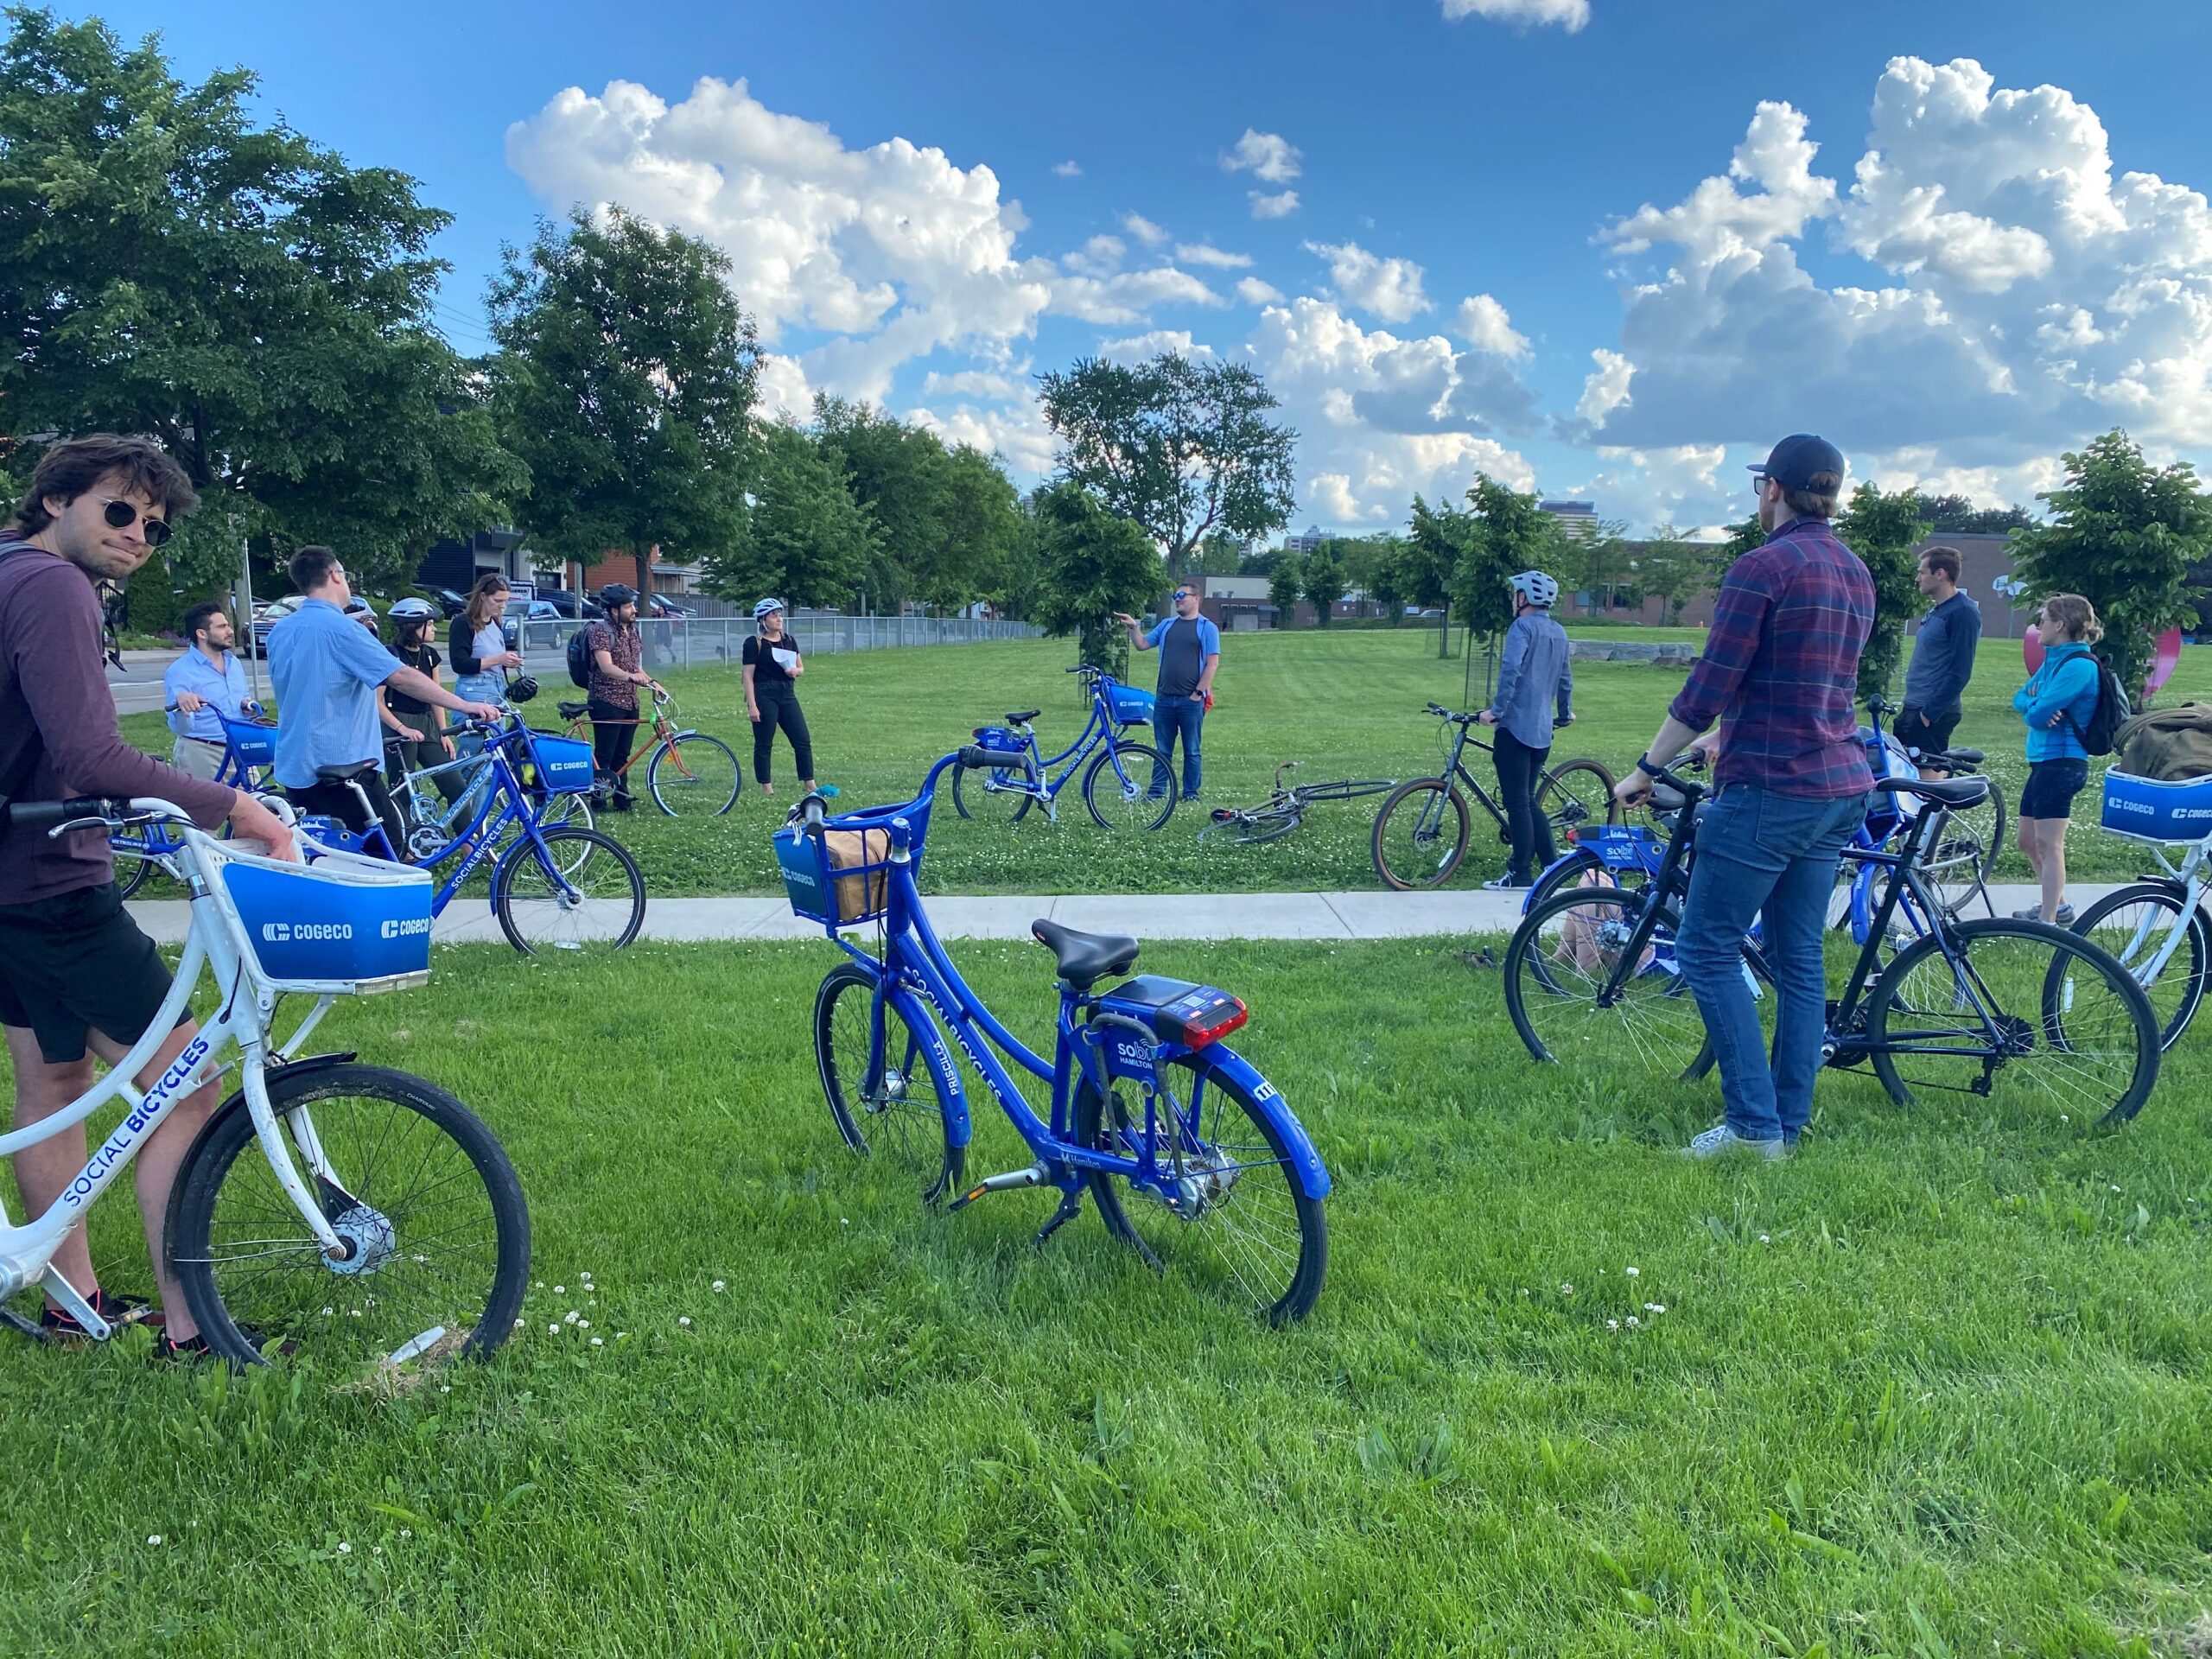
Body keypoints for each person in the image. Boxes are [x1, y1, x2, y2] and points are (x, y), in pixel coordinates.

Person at [0, 433, 297, 1358]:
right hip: (48, 886)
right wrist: (237, 804)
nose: (137, 535)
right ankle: (192, 1331)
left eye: (154, 527)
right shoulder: (53, 586)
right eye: (119, 511)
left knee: (53, 1081)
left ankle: (70, 1303)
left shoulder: (9, 572)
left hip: (12, 881)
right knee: (183, 1085)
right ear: (57, 499)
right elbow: (93, 757)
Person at [1615, 434, 1874, 1161]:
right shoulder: (1855, 571)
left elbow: (1711, 686)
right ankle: (1787, 1121)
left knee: (1704, 948)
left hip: (1770, 791)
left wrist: (1645, 767)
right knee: (1798, 959)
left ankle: (1753, 1127)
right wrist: (1721, 739)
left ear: (1772, 490)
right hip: (1837, 785)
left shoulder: (1761, 568)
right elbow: (1811, 681)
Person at [268, 546, 499, 853]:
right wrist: (467, 706)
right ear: (336, 576)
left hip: (294, 764)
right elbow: (401, 676)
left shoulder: (280, 630)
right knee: (386, 851)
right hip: (342, 766)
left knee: (322, 856)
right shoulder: (343, 629)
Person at [1477, 569, 1574, 890]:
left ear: (1525, 598)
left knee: (1517, 802)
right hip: (1543, 731)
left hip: (1516, 728)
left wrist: (1495, 711)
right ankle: (1551, 866)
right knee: (1528, 800)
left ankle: (1520, 872)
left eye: (1515, 593)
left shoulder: (1521, 627)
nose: (1512, 599)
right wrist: (1564, 712)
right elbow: (1564, 678)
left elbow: (1511, 670)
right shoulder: (1558, 632)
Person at [2011, 593, 2104, 925]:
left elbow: (2039, 716)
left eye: (2043, 620)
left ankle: (2048, 920)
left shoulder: (2078, 666)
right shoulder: (2054, 660)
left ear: (2060, 625)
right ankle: (2058, 905)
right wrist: (2033, 705)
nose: (2038, 627)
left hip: (2063, 763)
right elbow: (2020, 699)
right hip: (2044, 763)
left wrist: (2036, 708)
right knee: (2027, 840)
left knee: (2049, 844)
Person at [1112, 585, 1220, 802]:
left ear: (1196, 598)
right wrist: (1133, 627)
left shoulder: (1207, 628)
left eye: (1182, 596)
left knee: (1192, 749)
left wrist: (1198, 694)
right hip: (1163, 700)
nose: (1177, 600)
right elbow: (1142, 644)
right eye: (1175, 596)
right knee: (1162, 750)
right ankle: (1157, 792)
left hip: (1191, 701)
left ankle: (1190, 793)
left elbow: (1212, 664)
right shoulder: (1167, 625)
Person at [1894, 545, 1981, 767]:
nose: (1918, 578)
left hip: (1931, 713)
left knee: (1926, 786)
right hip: (1914, 706)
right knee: (1903, 780)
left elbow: (1960, 672)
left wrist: (1928, 714)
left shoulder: (1963, 612)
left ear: (1940, 574)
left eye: (1922, 572)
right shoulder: (1937, 610)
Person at [381, 595, 463, 808]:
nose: (435, 629)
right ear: (413, 627)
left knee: (456, 786)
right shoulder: (390, 655)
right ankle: (402, 838)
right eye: (429, 624)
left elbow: (435, 696)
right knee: (402, 791)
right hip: (398, 725)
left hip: (426, 723)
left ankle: (467, 841)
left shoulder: (429, 655)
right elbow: (376, 702)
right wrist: (402, 729)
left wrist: (443, 733)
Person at [584, 583, 658, 810]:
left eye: (633, 605)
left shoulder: (631, 631)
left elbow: (635, 666)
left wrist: (654, 684)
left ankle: (621, 796)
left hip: (630, 700)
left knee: (623, 754)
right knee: (605, 753)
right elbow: (606, 666)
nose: (634, 609)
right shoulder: (600, 631)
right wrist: (631, 677)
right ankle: (598, 799)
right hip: (606, 700)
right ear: (614, 610)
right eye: (628, 606)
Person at [162, 601, 253, 782]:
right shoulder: (180, 671)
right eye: (222, 627)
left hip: (239, 749)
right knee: (210, 810)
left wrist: (246, 707)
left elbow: (242, 699)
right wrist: (183, 708)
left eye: (228, 625)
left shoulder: (233, 662)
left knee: (257, 804)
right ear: (202, 633)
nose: (230, 631)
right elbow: (180, 728)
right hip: (201, 752)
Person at [743, 598, 816, 797]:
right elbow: (747, 677)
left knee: (802, 739)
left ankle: (810, 784)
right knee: (764, 742)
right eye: (773, 615)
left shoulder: (789, 640)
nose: (778, 618)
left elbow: (801, 668)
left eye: (779, 614)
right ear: (763, 620)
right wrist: (752, 705)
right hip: (764, 694)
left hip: (787, 693)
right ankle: (766, 786)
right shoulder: (754, 643)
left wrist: (796, 671)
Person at [448, 574, 520, 709]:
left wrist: (508, 661)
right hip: (474, 689)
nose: (502, 606)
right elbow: (459, 664)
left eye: (505, 601)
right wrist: (499, 659)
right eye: (497, 601)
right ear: (482, 597)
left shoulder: (495, 623)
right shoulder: (463, 623)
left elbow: (493, 659)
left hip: (498, 688)